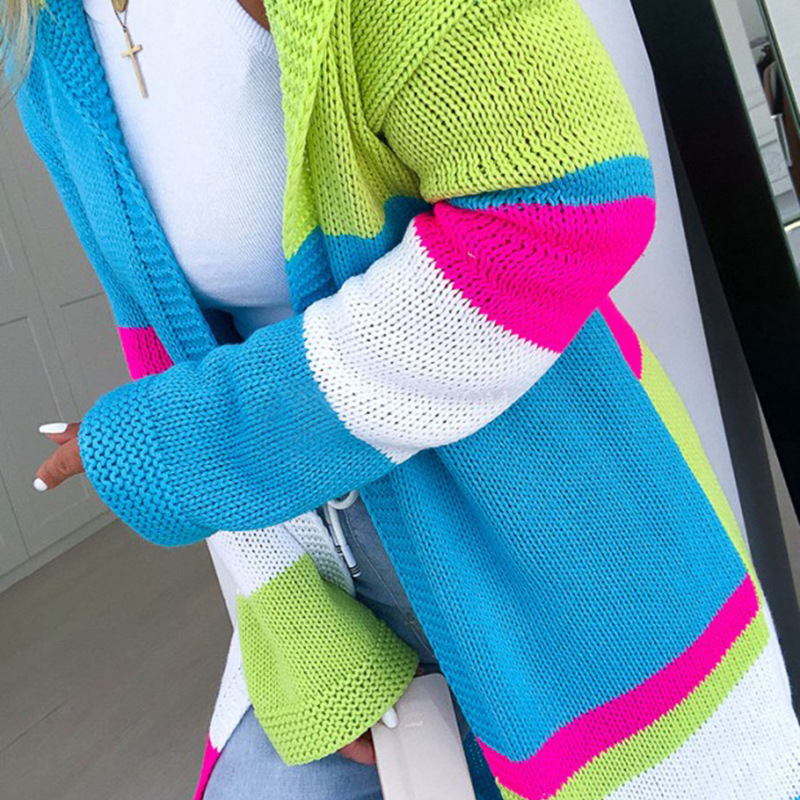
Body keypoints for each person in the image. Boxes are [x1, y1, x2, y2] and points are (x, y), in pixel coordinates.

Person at [4, 1, 800, 799]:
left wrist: (193, 441)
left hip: (550, 528)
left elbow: (565, 217)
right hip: (317, 556)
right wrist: (303, 635)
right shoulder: (43, 35)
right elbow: (165, 344)